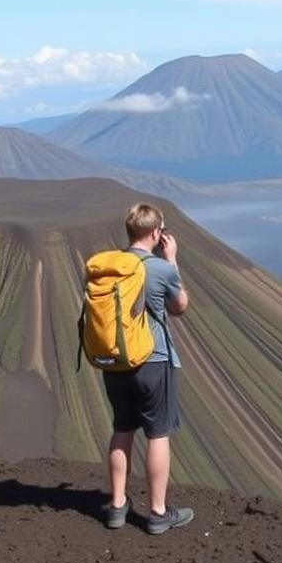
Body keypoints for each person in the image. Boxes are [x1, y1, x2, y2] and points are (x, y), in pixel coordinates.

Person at [101, 203, 194, 534]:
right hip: (153, 361)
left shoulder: (109, 265)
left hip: (113, 362)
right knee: (158, 434)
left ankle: (116, 507)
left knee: (122, 429)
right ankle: (157, 513)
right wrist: (172, 261)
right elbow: (180, 306)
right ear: (157, 233)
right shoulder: (159, 268)